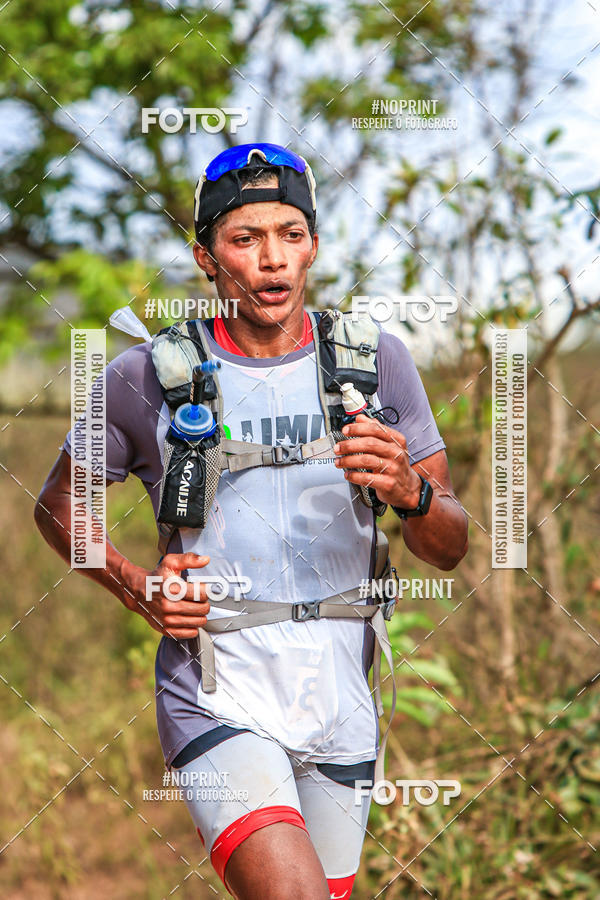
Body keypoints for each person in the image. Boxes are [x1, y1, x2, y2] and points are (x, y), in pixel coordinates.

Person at [35, 143, 468, 900]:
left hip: (342, 701)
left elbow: (451, 547)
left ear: (313, 245)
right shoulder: (150, 375)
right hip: (215, 692)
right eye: (245, 240)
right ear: (206, 257)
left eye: (289, 236)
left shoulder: (374, 363)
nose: (271, 261)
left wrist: (410, 490)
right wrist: (141, 590)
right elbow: (59, 507)